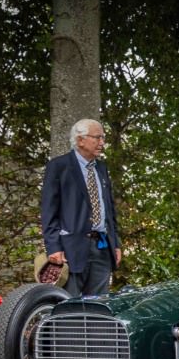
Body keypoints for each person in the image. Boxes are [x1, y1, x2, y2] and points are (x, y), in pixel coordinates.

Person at [40, 118, 122, 297]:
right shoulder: (59, 167)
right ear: (80, 140)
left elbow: (109, 209)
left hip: (102, 247)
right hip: (70, 250)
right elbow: (48, 211)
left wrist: (115, 244)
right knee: (70, 304)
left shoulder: (101, 168)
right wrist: (53, 247)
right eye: (97, 137)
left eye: (103, 138)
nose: (102, 142)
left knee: (98, 304)